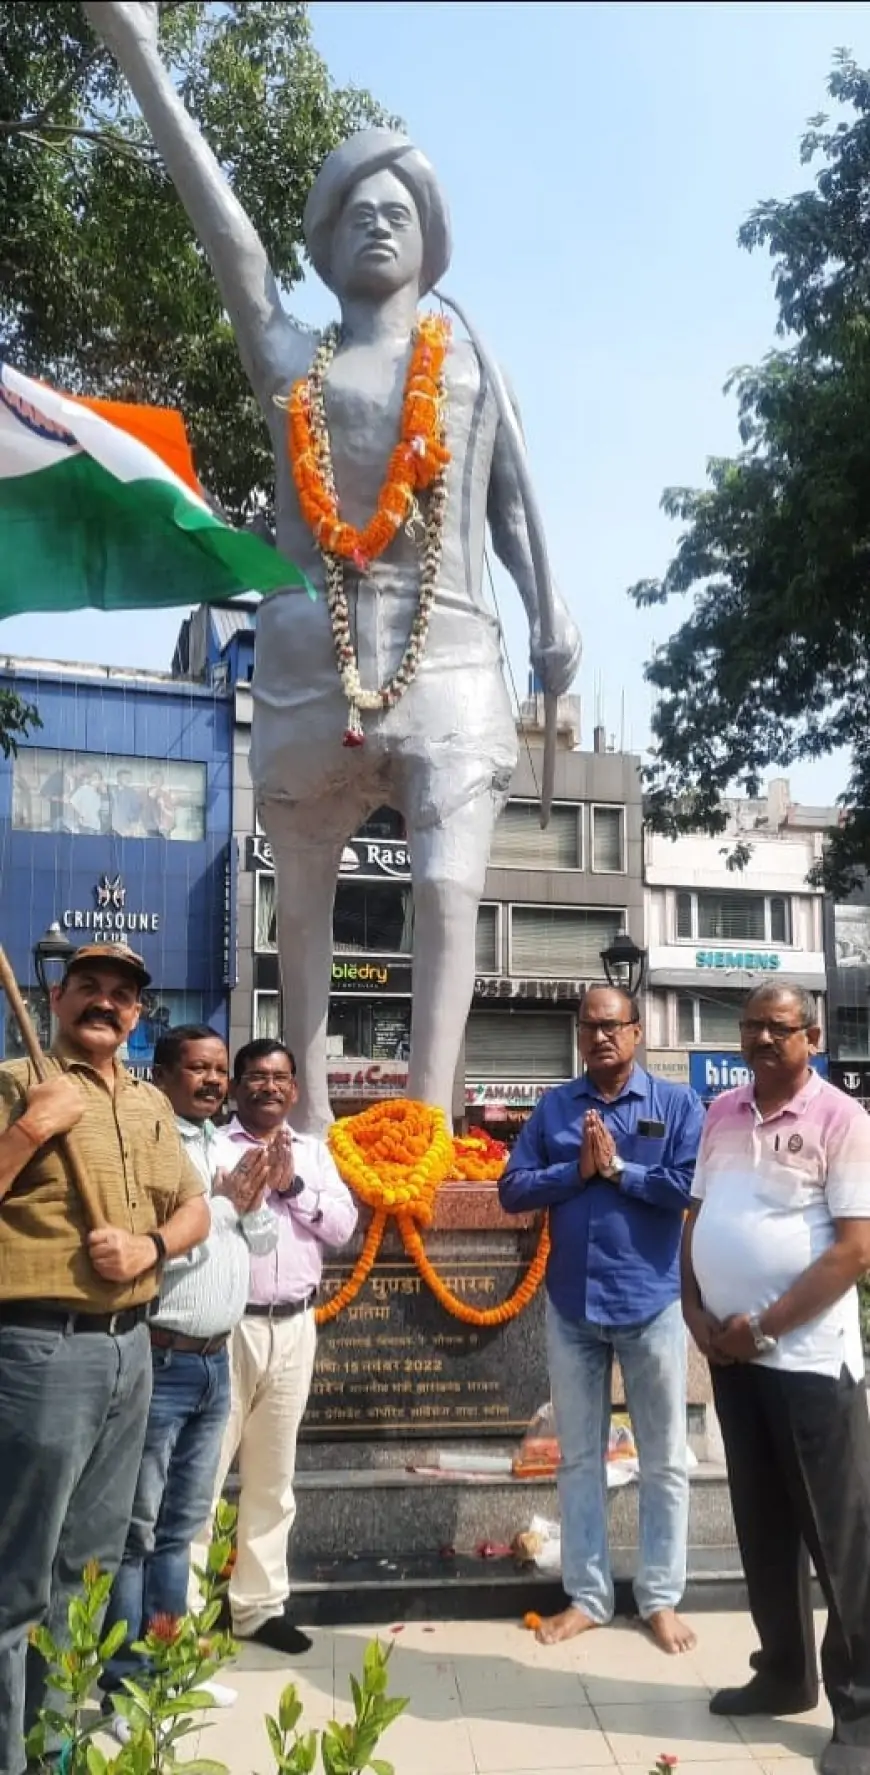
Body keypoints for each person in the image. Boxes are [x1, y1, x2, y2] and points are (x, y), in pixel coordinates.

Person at [83, 3, 581, 1138]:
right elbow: (230, 245)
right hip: (312, 654)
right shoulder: (291, 359)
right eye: (357, 212)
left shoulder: (470, 370)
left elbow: (512, 513)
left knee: (449, 886)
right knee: (297, 905)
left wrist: (555, 604)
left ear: (431, 240)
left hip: (452, 652)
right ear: (325, 238)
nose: (379, 226)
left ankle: (426, 1123)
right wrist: (141, 55)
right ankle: (301, 1130)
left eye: (399, 213)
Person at [0, 945, 209, 1775]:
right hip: (42, 1349)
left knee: (82, 1576)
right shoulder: (18, 1079)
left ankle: (53, 1747)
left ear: (135, 1016)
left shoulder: (151, 1101)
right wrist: (28, 1130)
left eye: (122, 995)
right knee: (18, 1582)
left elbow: (194, 1206)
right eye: (89, 986)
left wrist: (148, 1244)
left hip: (132, 1353)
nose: (106, 1003)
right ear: (56, 995)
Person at [683, 983, 870, 1772]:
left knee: (841, 1540)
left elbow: (855, 1249)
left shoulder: (842, 1118)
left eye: (779, 1026)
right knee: (762, 1528)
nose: (763, 1037)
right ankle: (784, 1672)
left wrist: (761, 1326)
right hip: (735, 1360)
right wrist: (697, 1313)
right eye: (752, 1024)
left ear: (812, 1035)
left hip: (806, 1365)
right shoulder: (721, 1113)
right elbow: (695, 1219)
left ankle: (859, 1712)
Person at [500, 984, 705, 1655]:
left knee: (666, 1458)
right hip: (572, 1307)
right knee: (579, 1457)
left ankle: (660, 1597)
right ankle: (588, 1595)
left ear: (637, 1032)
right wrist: (575, 1171)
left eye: (612, 1025)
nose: (599, 1037)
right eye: (588, 1025)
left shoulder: (675, 1105)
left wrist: (618, 1171)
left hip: (651, 1301)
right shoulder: (557, 1106)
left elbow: (686, 1188)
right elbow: (512, 1188)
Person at [99, 1025, 281, 1741]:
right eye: (197, 1069)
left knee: (181, 1528)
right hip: (162, 1354)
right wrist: (227, 1206)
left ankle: (172, 1669)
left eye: (217, 1070)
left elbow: (257, 1245)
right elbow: (150, 1260)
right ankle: (121, 1689)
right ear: (165, 1073)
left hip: (215, 1359)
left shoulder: (221, 1145)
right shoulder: (150, 1144)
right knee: (137, 1532)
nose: (212, 1081)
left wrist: (256, 1199)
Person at [200, 1039, 357, 1653]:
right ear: (236, 1086)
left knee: (273, 1476)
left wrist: (292, 1189)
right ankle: (183, 1618)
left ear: (295, 1089)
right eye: (256, 1077)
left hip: (295, 1326)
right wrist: (232, 1195)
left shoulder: (315, 1155)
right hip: (227, 1327)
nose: (269, 1087)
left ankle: (258, 1608)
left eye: (280, 1078)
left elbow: (342, 1229)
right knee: (203, 1477)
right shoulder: (212, 1147)